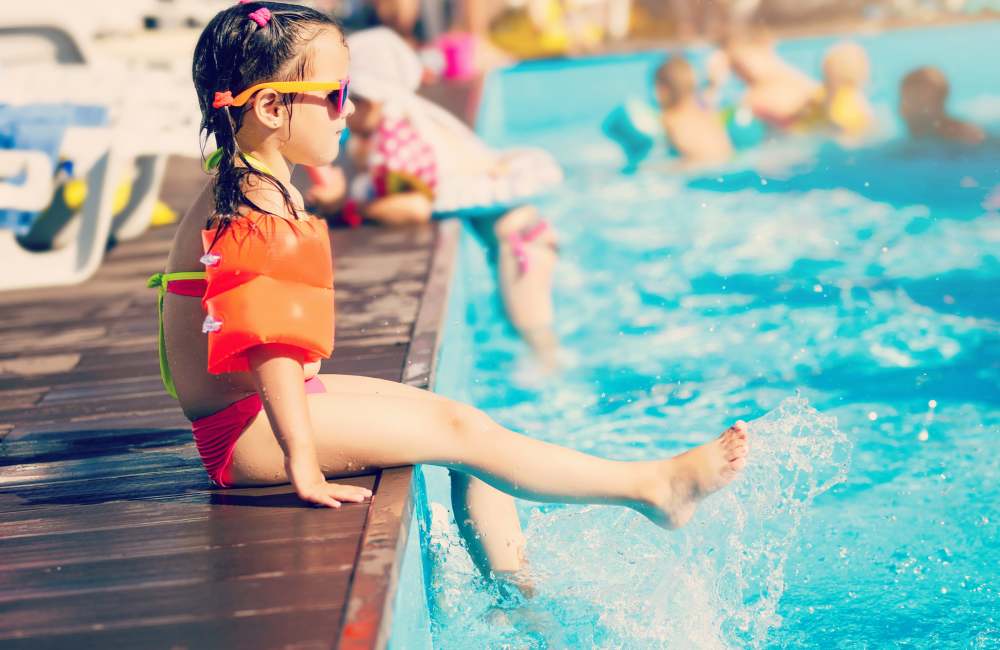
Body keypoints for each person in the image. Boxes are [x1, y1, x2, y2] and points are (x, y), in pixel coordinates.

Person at [151, 1, 749, 589]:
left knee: (466, 424)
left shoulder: (253, 180)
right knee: (464, 439)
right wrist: (301, 461)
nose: (348, 109)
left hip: (260, 410)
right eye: (335, 95)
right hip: (244, 433)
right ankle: (649, 488)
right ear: (272, 107)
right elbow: (270, 345)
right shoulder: (256, 200)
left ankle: (517, 592)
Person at [310, 27, 562, 367]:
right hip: (521, 237)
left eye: (345, 99)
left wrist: (351, 206)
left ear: (372, 98)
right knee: (526, 337)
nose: (344, 111)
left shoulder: (398, 139)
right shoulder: (405, 121)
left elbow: (415, 207)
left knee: (539, 345)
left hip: (520, 244)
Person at [654, 55, 734, 164]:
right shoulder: (706, 111)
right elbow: (708, 96)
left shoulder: (669, 118)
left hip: (697, 169)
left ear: (662, 90)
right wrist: (713, 83)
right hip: (728, 162)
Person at [899, 66, 986, 145]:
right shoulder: (917, 140)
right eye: (904, 99)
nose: (903, 108)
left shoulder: (966, 138)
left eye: (915, 100)